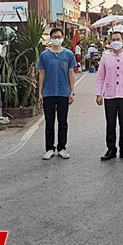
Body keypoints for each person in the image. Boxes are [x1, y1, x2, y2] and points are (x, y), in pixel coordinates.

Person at [95, 31, 123, 161]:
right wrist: (98, 94)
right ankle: (111, 149)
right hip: (110, 95)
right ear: (110, 41)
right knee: (110, 123)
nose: (116, 42)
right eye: (113, 39)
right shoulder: (105, 58)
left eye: (118, 39)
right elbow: (100, 77)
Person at [38, 28, 76, 160]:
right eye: (54, 36)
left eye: (59, 36)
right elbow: (41, 74)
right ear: (50, 37)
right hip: (48, 93)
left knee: (63, 122)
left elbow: (71, 73)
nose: (56, 39)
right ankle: (49, 148)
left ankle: (62, 148)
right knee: (49, 122)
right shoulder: (44, 55)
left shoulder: (68, 54)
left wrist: (72, 92)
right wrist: (40, 92)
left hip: (63, 93)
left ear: (63, 37)